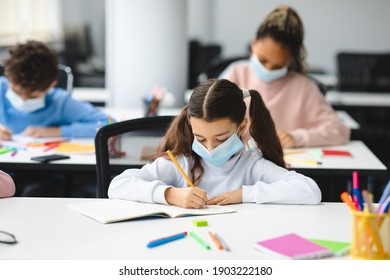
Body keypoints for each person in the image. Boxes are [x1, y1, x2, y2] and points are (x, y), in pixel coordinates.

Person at [108, 79, 321, 208]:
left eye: (220, 139)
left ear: (242, 126)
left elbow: (309, 190)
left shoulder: (251, 163)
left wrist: (244, 194)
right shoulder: (182, 161)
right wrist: (169, 194)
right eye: (200, 138)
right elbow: (117, 185)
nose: (210, 148)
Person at [220, 5, 350, 148]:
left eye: (278, 66)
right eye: (263, 60)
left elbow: (339, 130)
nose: (267, 69)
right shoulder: (235, 73)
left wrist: (297, 138)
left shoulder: (304, 87)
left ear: (291, 60)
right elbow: (206, 116)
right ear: (254, 43)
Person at [0, 40, 110, 140]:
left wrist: (57, 131)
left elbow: (108, 124)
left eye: (32, 96)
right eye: (17, 92)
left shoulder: (60, 103)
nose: (22, 99)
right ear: (8, 77)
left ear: (51, 85)